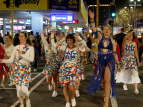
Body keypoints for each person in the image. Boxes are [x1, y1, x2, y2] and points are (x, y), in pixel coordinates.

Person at [87, 10, 121, 107]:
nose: (106, 30)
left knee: (107, 80)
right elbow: (93, 30)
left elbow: (115, 53)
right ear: (103, 30)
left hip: (110, 60)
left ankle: (106, 102)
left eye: (108, 29)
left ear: (110, 31)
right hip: (101, 60)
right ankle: (105, 94)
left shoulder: (113, 41)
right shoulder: (99, 38)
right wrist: (92, 19)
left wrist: (118, 63)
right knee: (102, 81)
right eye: (105, 29)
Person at [51, 29, 86, 107]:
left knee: (71, 87)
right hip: (64, 69)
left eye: (71, 40)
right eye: (68, 40)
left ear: (73, 40)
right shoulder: (64, 47)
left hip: (73, 69)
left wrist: (79, 37)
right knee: (65, 86)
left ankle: (73, 98)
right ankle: (67, 102)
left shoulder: (77, 47)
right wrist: (53, 35)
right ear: (66, 41)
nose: (69, 41)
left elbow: (84, 43)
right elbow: (54, 44)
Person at [0, 32, 34, 107]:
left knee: (24, 90)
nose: (20, 38)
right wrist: (2, 60)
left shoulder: (30, 47)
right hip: (17, 70)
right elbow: (11, 60)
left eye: (22, 36)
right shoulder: (16, 47)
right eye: (19, 36)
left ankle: (28, 100)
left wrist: (21, 54)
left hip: (25, 70)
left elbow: (31, 59)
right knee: (18, 90)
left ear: (26, 37)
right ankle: (21, 104)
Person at [41, 25, 65, 97]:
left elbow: (63, 39)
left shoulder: (56, 44)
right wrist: (46, 28)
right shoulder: (46, 45)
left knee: (55, 78)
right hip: (48, 64)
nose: (50, 40)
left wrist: (66, 34)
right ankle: (50, 84)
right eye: (49, 38)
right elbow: (42, 35)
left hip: (55, 63)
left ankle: (55, 91)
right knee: (48, 79)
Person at [116, 30, 140, 94]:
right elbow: (125, 37)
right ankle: (125, 84)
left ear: (133, 37)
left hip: (132, 60)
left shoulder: (134, 44)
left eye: (131, 36)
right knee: (125, 72)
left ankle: (136, 88)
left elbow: (136, 53)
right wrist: (132, 32)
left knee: (135, 73)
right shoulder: (125, 42)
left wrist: (138, 62)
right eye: (129, 35)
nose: (130, 36)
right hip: (125, 59)